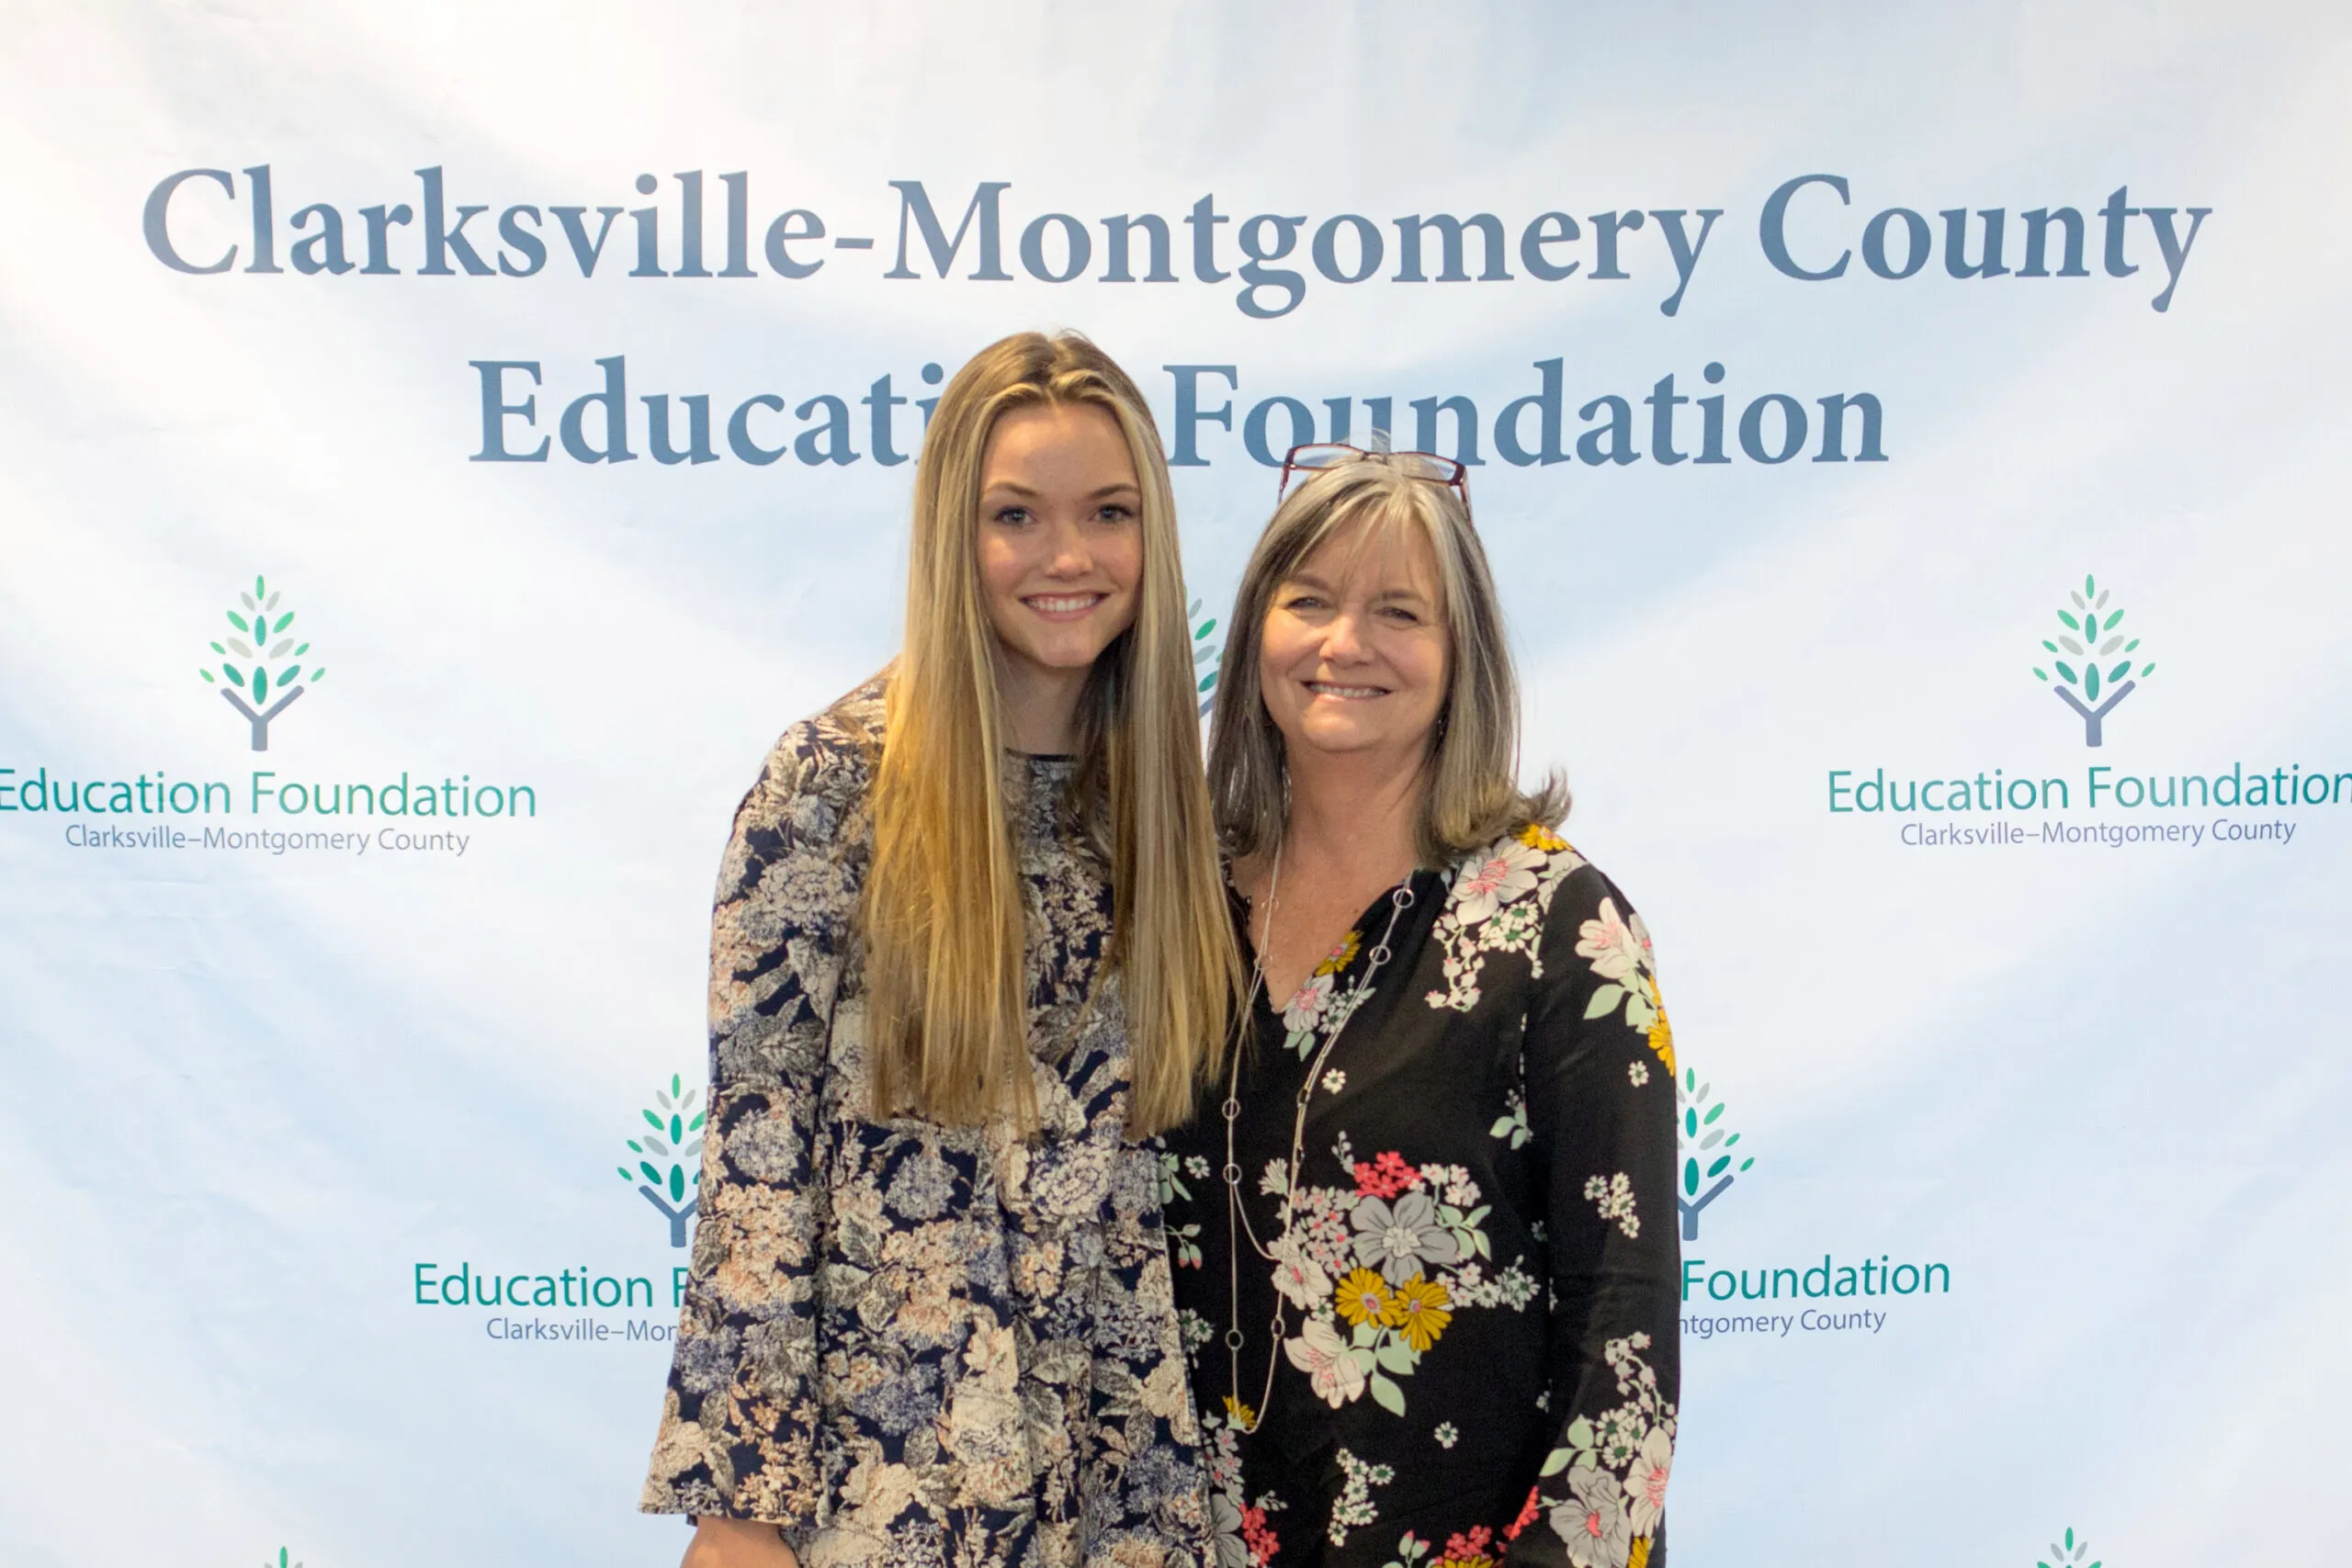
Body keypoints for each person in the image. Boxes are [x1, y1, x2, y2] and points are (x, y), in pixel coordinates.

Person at [640, 332, 1239, 1568]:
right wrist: (738, 1506)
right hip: (890, 1470)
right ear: (952, 537)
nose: (1068, 556)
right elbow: (757, 1154)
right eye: (1016, 515)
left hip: (1127, 1467)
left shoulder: (1171, 809)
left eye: (1109, 512)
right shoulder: (832, 785)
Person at [1163, 446, 1680, 1568]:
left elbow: (1622, 1336)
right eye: (1309, 601)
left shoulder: (1558, 928)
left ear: (1461, 655)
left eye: (1398, 611)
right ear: (1253, 633)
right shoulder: (1171, 910)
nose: (1345, 643)